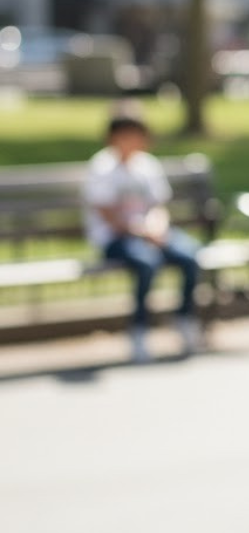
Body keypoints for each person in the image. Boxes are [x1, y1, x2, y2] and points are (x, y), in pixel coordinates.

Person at [82, 113, 203, 363]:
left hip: (151, 233)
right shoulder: (101, 168)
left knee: (190, 256)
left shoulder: (147, 165)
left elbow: (158, 206)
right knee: (147, 263)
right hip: (116, 238)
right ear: (114, 137)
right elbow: (107, 215)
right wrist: (143, 231)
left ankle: (184, 319)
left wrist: (157, 228)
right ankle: (139, 330)